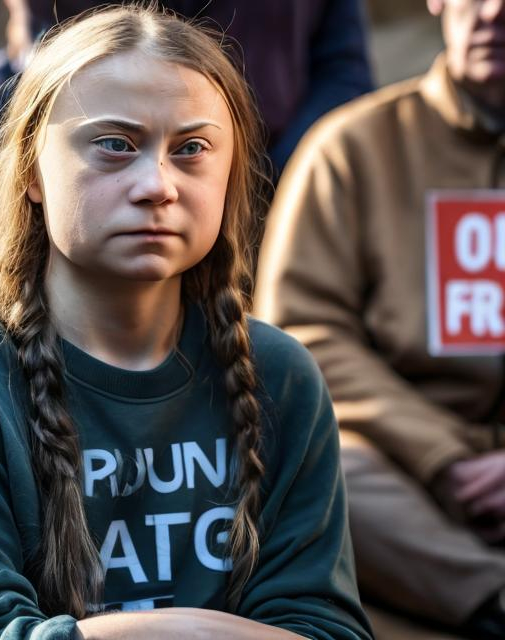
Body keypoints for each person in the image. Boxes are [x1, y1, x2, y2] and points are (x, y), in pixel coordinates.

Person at [0, 6, 373, 639]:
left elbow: (326, 627)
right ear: (30, 170)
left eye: (191, 149)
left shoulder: (280, 375)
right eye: (115, 145)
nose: (157, 185)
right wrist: (194, 632)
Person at [254, 0, 505, 637]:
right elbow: (302, 335)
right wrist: (442, 457)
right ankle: (492, 599)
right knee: (314, 467)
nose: (494, 12)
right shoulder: (351, 147)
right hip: (401, 473)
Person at [0, 0, 374, 331]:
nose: (154, 186)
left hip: (260, 158)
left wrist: (241, 169)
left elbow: (342, 64)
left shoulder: (285, 372)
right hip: (59, 97)